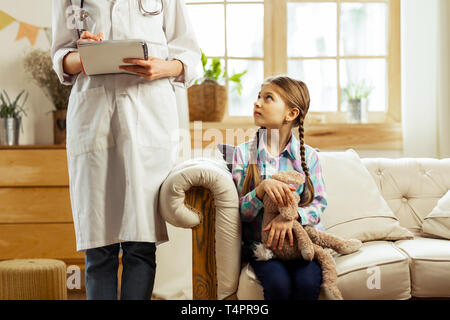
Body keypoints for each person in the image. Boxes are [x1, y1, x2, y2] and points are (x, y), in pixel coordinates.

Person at [51, 0, 201, 300]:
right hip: (94, 119)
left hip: (148, 119)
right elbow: (59, 55)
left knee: (141, 246)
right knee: (99, 249)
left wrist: (164, 67)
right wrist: (81, 57)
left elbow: (189, 56)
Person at [231, 75, 328, 300]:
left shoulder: (309, 157)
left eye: (268, 98)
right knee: (278, 285)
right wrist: (261, 189)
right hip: (263, 251)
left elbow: (319, 204)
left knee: (307, 283)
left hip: (301, 245)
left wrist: (290, 218)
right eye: (258, 97)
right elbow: (240, 212)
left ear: (291, 114)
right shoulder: (243, 154)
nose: (257, 103)